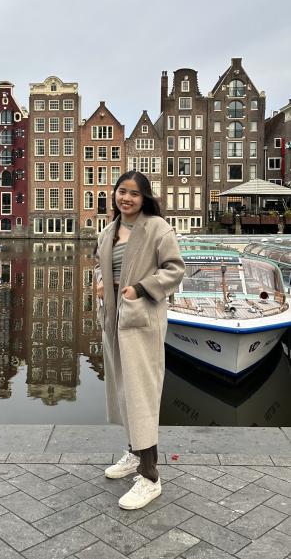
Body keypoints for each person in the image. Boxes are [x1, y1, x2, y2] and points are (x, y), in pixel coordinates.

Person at [94, 171, 185, 510]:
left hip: (141, 319)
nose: (126, 198)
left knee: (141, 394)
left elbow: (175, 269)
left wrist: (140, 288)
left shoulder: (157, 228)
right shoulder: (106, 232)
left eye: (134, 193)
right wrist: (101, 281)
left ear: (144, 198)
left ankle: (150, 477)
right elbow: (101, 266)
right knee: (122, 390)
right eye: (122, 191)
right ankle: (134, 454)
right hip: (114, 320)